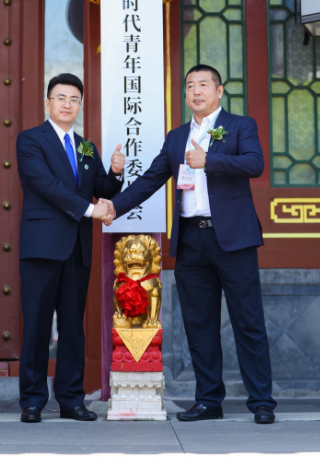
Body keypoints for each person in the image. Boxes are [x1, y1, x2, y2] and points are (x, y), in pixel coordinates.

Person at [99, 64, 276, 425]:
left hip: (233, 239)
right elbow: (150, 180)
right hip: (192, 239)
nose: (196, 91)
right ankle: (209, 400)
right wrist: (115, 205)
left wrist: (209, 160)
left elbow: (255, 164)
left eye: (204, 85)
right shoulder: (177, 136)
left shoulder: (241, 126)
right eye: (191, 85)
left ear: (219, 91)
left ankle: (261, 401)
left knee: (248, 322)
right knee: (199, 324)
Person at [16, 73, 122, 423]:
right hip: (42, 246)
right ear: (47, 103)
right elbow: (45, 184)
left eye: (74, 99)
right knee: (37, 325)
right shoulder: (30, 140)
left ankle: (71, 400)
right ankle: (33, 401)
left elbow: (101, 187)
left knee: (73, 326)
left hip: (77, 247)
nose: (67, 104)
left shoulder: (85, 146)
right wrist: (91, 210)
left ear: (79, 105)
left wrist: (115, 174)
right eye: (60, 98)